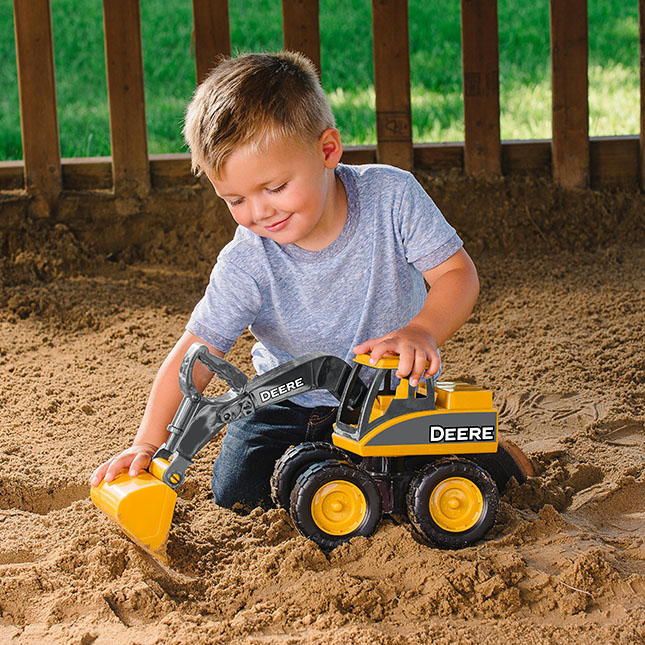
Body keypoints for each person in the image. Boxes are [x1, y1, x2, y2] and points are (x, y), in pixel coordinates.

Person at [90, 51, 480, 509]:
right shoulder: (248, 259)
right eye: (234, 199)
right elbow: (195, 353)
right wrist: (148, 442)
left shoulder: (391, 198)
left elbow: (457, 275)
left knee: (426, 481)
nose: (258, 212)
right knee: (236, 493)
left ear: (327, 150)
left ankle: (489, 461)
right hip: (283, 406)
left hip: (389, 402)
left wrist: (422, 329)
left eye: (274, 188)